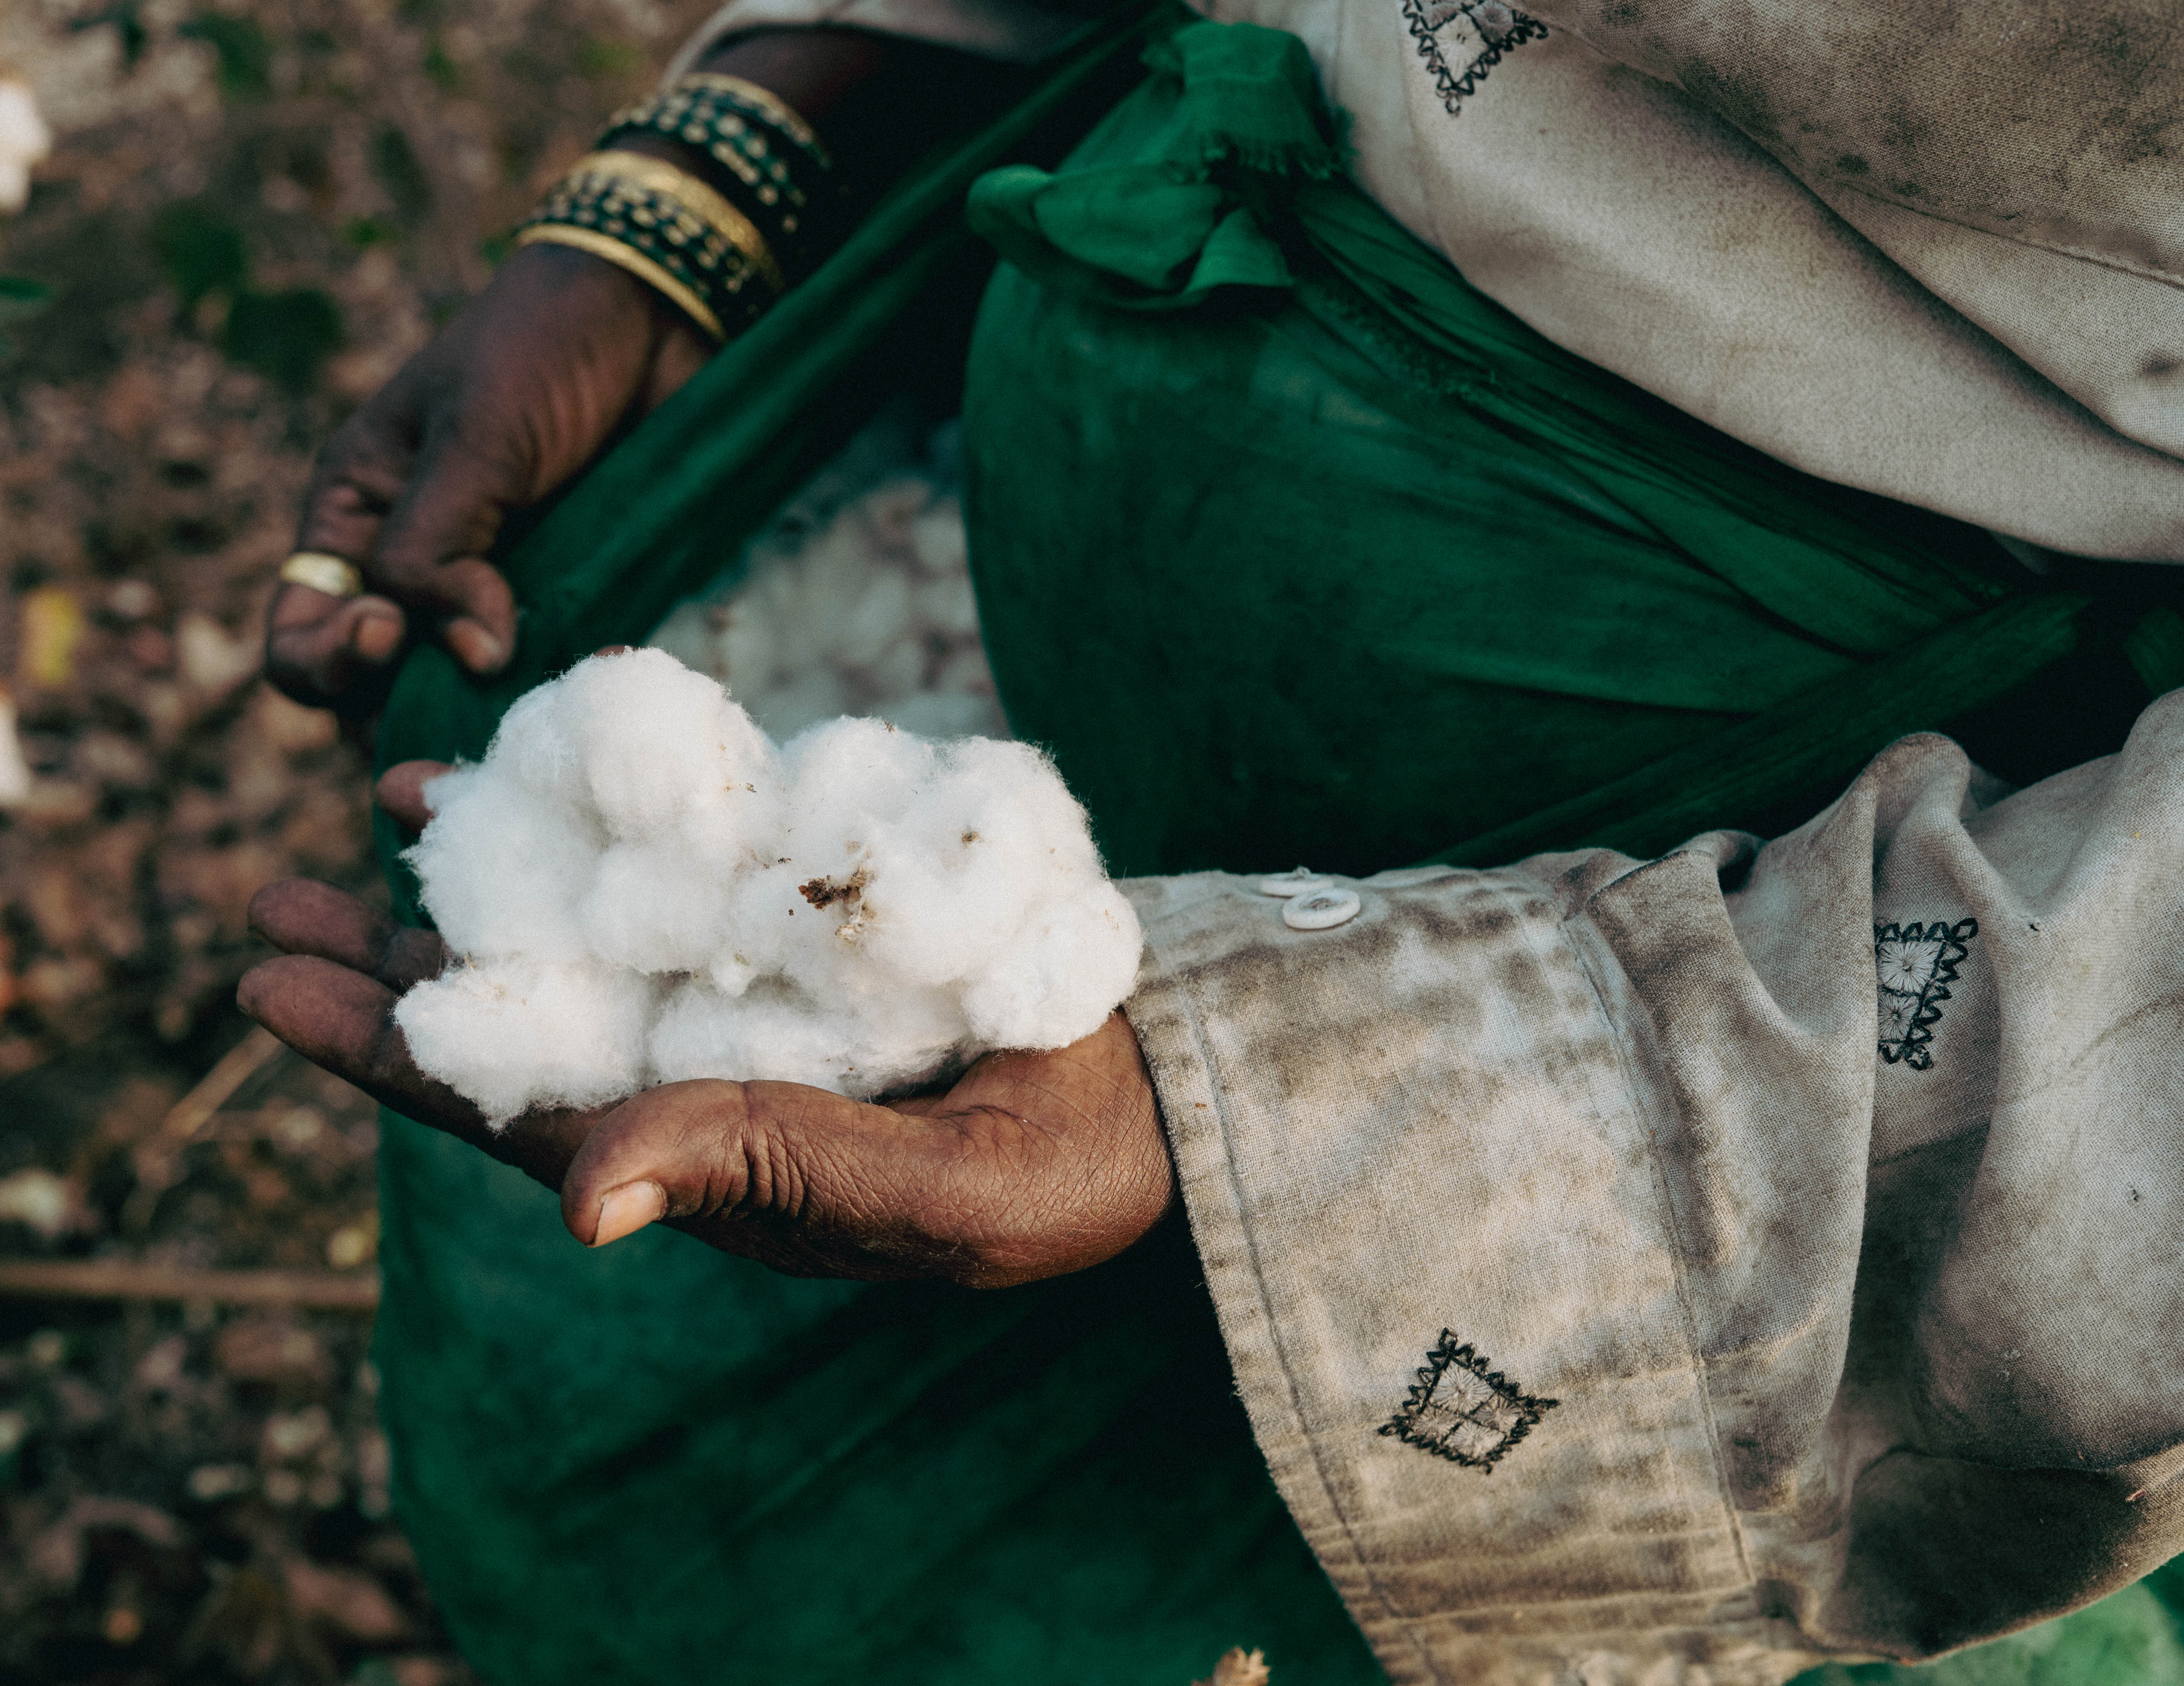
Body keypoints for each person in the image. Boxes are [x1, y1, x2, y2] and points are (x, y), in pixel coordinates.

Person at [244, 3, 2184, 1680]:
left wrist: (1287, 1123)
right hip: (1001, 466)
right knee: (632, 1393)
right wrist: (726, 163)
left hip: (1761, 927)